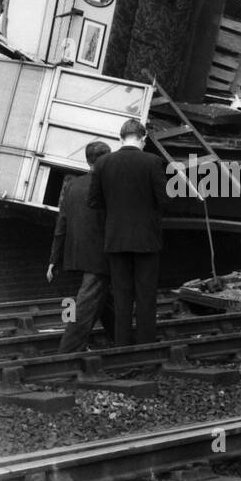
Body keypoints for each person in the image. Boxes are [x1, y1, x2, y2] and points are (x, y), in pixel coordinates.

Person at [88, 118, 167, 346]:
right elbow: (164, 200)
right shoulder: (153, 162)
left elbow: (93, 201)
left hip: (116, 239)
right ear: (143, 138)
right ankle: (145, 344)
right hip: (146, 240)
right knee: (146, 296)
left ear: (120, 138)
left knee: (122, 297)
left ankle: (122, 346)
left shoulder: (103, 164)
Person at [47, 140, 116, 352]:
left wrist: (53, 260)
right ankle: (67, 351)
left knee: (104, 299)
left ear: (87, 161)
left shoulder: (72, 185)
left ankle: (123, 341)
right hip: (100, 255)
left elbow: (62, 224)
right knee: (86, 303)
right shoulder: (109, 185)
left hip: (76, 253)